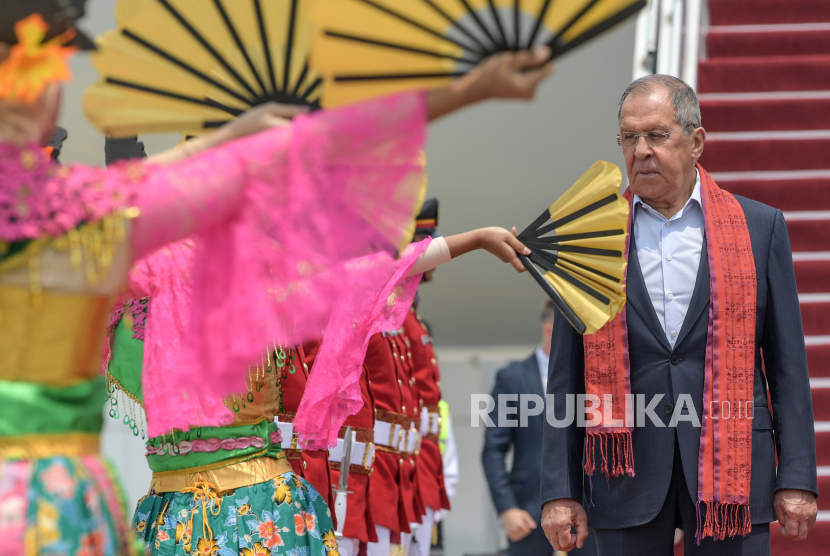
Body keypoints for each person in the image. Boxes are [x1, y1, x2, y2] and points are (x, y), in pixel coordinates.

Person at [0, 2, 554, 554]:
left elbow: (365, 271)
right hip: (102, 499)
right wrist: (470, 90)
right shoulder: (113, 237)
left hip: (215, 498)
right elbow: (165, 177)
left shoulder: (140, 237)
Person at [539, 74, 818, 555]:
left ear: (696, 142)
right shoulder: (589, 236)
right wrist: (560, 491)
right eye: (629, 137)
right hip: (624, 475)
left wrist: (797, 475)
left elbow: (787, 365)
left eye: (656, 135)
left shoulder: (759, 228)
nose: (641, 150)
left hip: (733, 474)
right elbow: (566, 375)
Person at [483, 301, 597, 556]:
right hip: (529, 518)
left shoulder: (593, 377)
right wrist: (507, 509)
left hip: (590, 518)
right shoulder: (511, 378)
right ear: (550, 330)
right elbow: (493, 449)